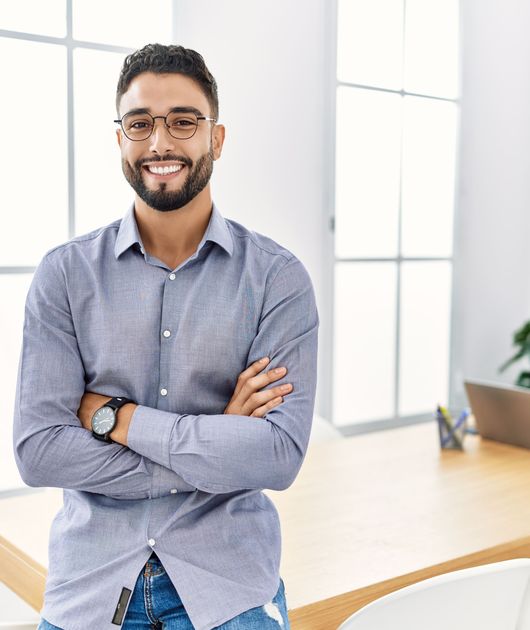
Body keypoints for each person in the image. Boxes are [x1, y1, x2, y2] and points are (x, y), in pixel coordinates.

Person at [13, 43, 319, 630]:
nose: (160, 143)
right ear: (121, 139)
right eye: (140, 124)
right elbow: (39, 451)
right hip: (92, 582)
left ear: (217, 139)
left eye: (183, 121)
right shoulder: (65, 275)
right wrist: (217, 447)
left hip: (229, 583)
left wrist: (120, 420)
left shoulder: (278, 279)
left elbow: (278, 457)